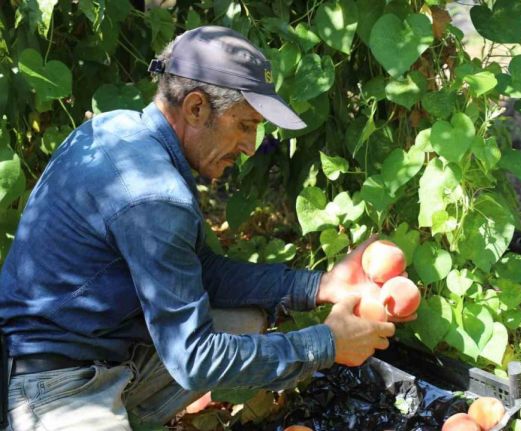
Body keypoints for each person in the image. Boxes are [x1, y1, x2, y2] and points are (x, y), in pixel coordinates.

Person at [0, 26, 403, 430]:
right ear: (196, 108)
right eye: (245, 125)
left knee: (244, 322)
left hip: (96, 343)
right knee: (221, 346)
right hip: (49, 382)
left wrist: (317, 286)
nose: (250, 146)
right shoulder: (154, 194)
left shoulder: (118, 130)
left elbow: (201, 271)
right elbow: (194, 359)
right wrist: (326, 344)